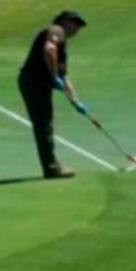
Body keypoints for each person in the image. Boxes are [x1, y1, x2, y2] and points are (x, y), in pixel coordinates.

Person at [18, 10, 90, 179]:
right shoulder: (57, 30)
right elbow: (49, 49)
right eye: (75, 23)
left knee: (45, 123)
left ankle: (51, 166)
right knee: (43, 124)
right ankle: (51, 168)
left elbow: (64, 77)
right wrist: (53, 76)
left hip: (38, 84)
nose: (77, 29)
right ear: (65, 21)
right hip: (33, 82)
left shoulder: (62, 48)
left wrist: (75, 102)